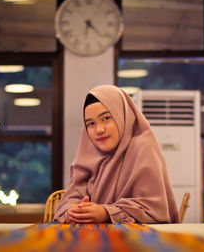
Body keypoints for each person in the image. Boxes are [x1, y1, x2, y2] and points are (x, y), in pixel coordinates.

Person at [53, 85, 179, 224]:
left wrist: (106, 213)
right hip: (93, 240)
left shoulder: (143, 148)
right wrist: (74, 212)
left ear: (122, 115)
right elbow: (70, 199)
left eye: (106, 118)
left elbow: (153, 211)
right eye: (90, 124)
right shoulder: (87, 155)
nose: (99, 130)